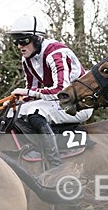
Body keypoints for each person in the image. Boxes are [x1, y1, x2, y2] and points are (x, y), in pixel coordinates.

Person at [7, 14, 92, 169]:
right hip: (56, 101)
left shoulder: (55, 53)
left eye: (24, 40)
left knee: (36, 112)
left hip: (78, 103)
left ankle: (55, 166)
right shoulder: (27, 59)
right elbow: (30, 91)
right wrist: (16, 101)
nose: (19, 46)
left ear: (38, 39)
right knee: (13, 113)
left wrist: (29, 93)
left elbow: (61, 90)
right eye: (16, 41)